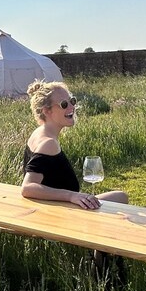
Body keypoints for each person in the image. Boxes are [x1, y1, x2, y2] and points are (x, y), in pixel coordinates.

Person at [22, 80, 129, 209]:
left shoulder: (39, 132)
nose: (72, 107)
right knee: (120, 199)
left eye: (72, 101)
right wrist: (72, 196)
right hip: (63, 214)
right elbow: (28, 188)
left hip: (60, 207)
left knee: (120, 197)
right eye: (64, 104)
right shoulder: (48, 143)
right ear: (46, 111)